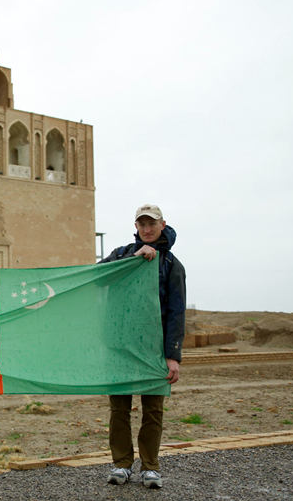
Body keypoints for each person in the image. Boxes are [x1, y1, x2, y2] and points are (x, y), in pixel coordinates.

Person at [99, 203, 186, 489]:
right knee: (119, 409)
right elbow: (97, 277)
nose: (147, 229)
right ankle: (121, 464)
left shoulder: (172, 265)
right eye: (142, 224)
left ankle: (150, 466)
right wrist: (133, 260)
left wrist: (173, 356)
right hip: (120, 344)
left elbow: (176, 311)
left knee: (153, 410)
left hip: (154, 348)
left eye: (152, 223)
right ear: (136, 227)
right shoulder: (123, 254)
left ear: (163, 225)